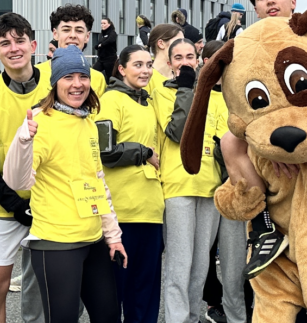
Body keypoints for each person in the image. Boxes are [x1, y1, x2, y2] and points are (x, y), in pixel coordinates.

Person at [3, 45, 126, 323]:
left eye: (82, 77)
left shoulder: (89, 124)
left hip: (93, 239)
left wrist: (113, 235)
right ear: (55, 82)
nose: (77, 84)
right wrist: (23, 141)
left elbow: (98, 183)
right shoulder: (40, 123)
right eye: (68, 77)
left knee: (108, 316)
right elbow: (17, 181)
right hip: (56, 243)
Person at [220, 0, 298, 281]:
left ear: (293, 0)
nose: (270, 1)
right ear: (255, 8)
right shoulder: (246, 44)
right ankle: (264, 226)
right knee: (229, 140)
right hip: (269, 124)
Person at [0, 13, 45, 323]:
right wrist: (15, 205)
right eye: (5, 43)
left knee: (49, 287)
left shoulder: (57, 81)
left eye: (19, 41)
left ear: (33, 45)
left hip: (52, 202)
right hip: (6, 206)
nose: (13, 48)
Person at [150, 38, 224, 323]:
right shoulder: (162, 93)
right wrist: (184, 88)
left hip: (210, 186)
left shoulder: (212, 94)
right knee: (179, 265)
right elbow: (177, 132)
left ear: (198, 59)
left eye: (189, 56)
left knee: (201, 264)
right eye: (177, 57)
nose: (184, 61)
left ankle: (193, 317)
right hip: (177, 185)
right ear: (169, 63)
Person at [94, 45, 164, 323]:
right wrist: (143, 152)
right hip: (123, 210)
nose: (145, 70)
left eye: (148, 64)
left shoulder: (146, 102)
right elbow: (104, 150)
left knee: (146, 295)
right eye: (138, 65)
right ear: (121, 69)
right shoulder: (111, 100)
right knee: (116, 293)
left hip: (151, 210)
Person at [199, 40, 249, 323]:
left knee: (234, 262)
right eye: (215, 62)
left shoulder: (238, 95)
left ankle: (237, 316)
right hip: (201, 188)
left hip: (234, 187)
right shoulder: (195, 94)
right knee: (199, 260)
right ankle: (210, 305)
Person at [35, 4, 106, 98]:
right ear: (55, 34)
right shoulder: (36, 73)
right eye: (66, 30)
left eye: (79, 31)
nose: (73, 35)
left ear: (87, 37)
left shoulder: (98, 78)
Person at [147, 24, 184, 95]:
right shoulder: (147, 77)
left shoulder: (181, 76)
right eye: (178, 42)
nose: (184, 45)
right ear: (161, 44)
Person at [94, 17, 117, 82]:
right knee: (93, 71)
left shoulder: (112, 33)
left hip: (110, 59)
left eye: (104, 23)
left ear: (109, 24)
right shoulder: (101, 34)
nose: (102, 25)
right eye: (101, 23)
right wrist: (97, 46)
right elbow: (99, 44)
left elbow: (110, 40)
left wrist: (102, 45)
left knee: (110, 76)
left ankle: (111, 88)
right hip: (101, 59)